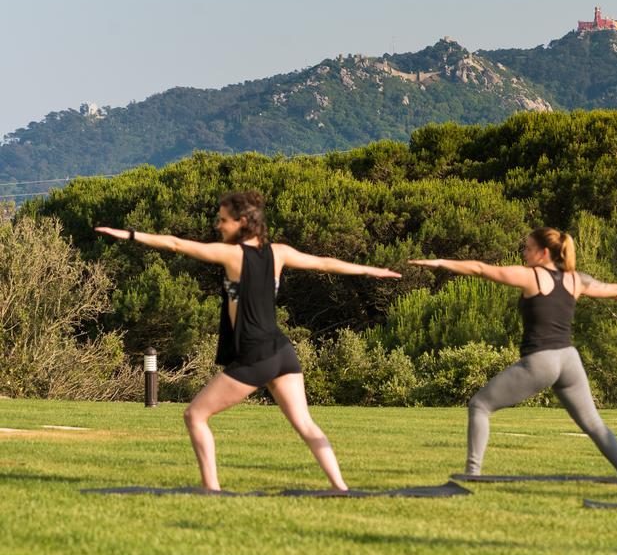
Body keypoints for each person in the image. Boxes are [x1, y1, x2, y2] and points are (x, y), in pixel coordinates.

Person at [96, 190, 400, 492]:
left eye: (223, 220)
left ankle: (211, 488)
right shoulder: (279, 252)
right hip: (282, 351)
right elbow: (323, 263)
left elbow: (176, 244)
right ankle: (340, 487)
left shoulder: (232, 255)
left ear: (242, 221)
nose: (218, 225)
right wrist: (369, 270)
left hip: (256, 355)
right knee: (305, 424)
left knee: (195, 415)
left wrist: (129, 234)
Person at [410, 227, 617, 477]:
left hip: (541, 361)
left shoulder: (532, 276)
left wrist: (440, 262)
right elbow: (614, 290)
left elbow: (481, 269)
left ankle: (472, 474)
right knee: (593, 424)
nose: (524, 254)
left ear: (544, 253)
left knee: (480, 405)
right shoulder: (575, 279)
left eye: (528, 249)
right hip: (569, 360)